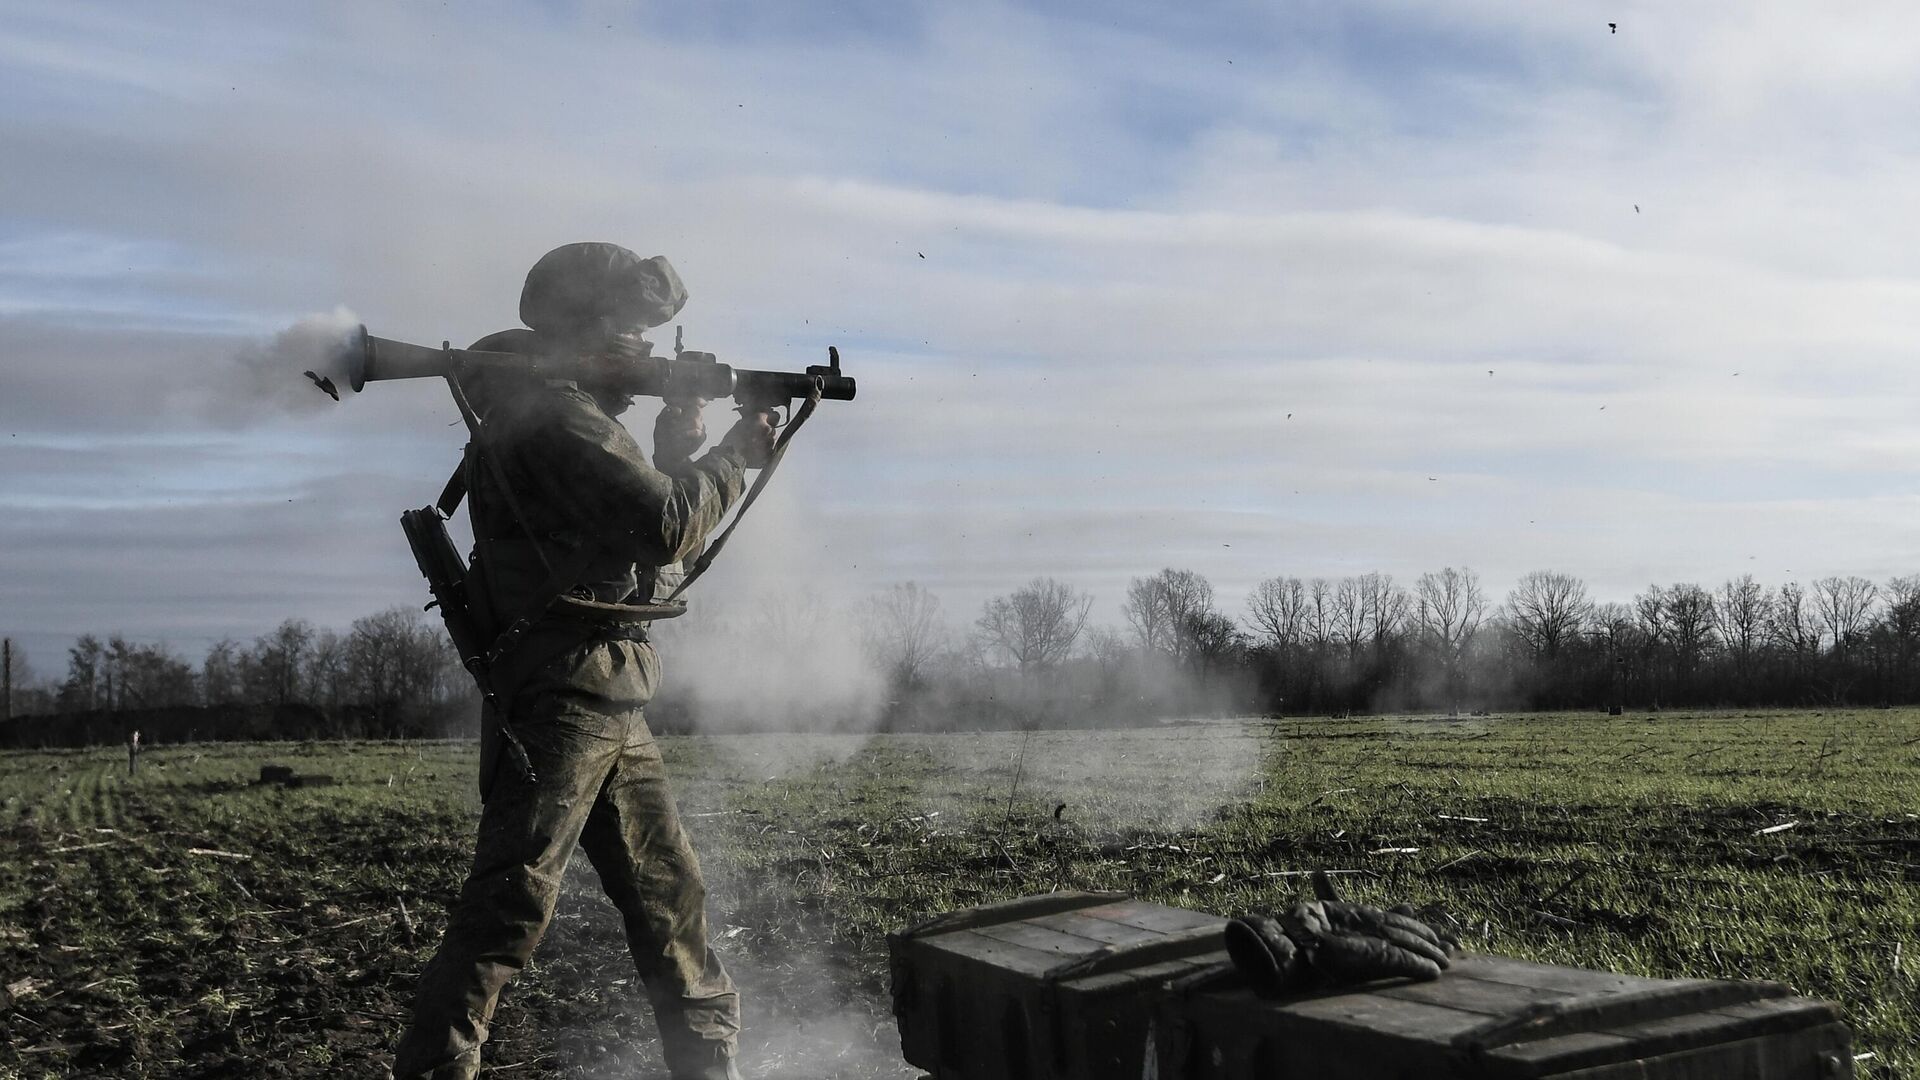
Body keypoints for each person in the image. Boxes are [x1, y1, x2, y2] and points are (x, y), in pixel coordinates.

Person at [390, 243, 777, 1080]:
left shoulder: (551, 412)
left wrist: (679, 449)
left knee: (670, 902)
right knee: (508, 908)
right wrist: (735, 455)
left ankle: (709, 1068)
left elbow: (637, 555)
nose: (643, 351)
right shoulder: (555, 416)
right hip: (568, 689)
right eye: (629, 329)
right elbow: (668, 526)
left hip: (599, 687)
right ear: (581, 327)